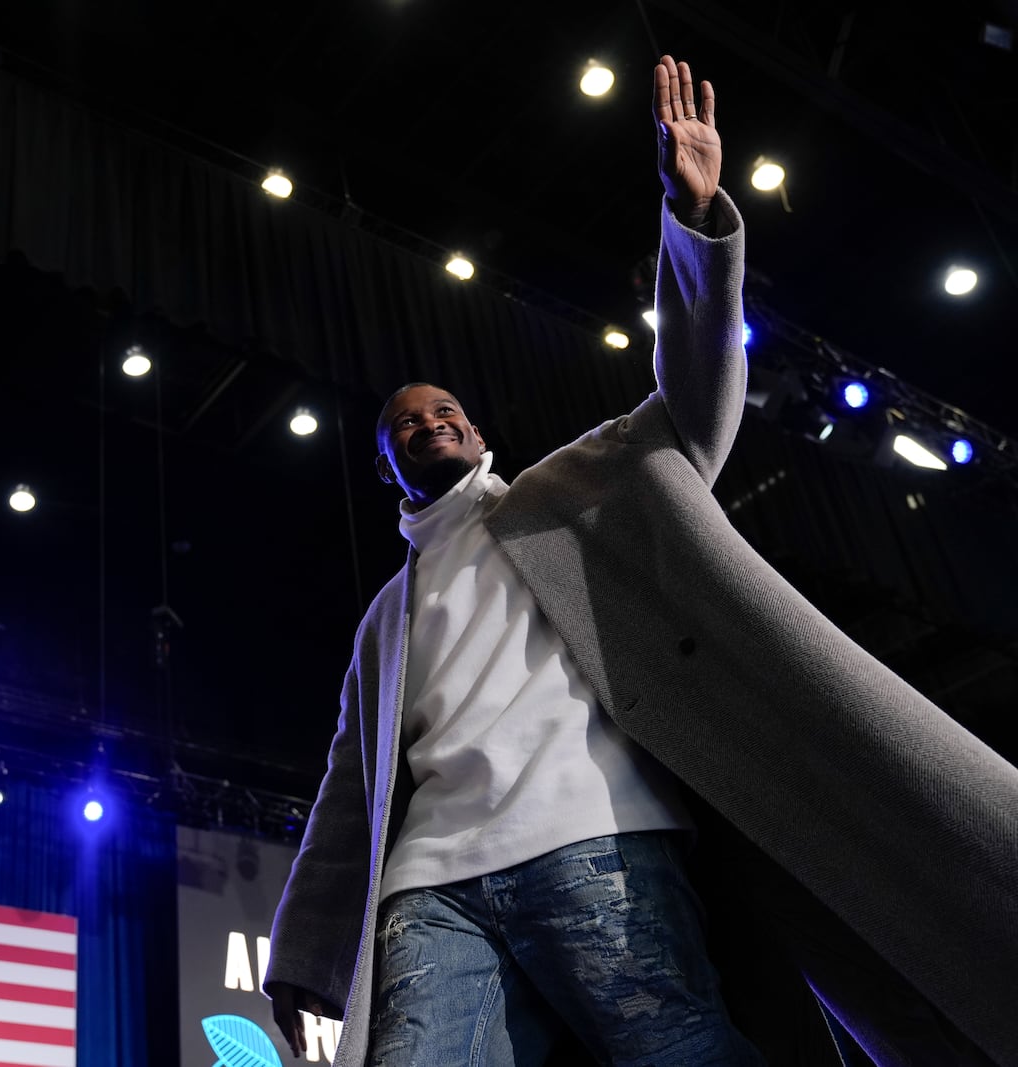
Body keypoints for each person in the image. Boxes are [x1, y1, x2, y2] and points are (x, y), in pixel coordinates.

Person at [264, 55, 1018, 1067]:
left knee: (677, 1049)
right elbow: (347, 787)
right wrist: (304, 951)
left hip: (594, 838)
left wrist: (697, 224)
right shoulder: (385, 620)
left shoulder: (574, 487)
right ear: (385, 459)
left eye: (445, 408)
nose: (430, 419)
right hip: (429, 882)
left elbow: (697, 394)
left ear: (476, 430)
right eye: (406, 421)